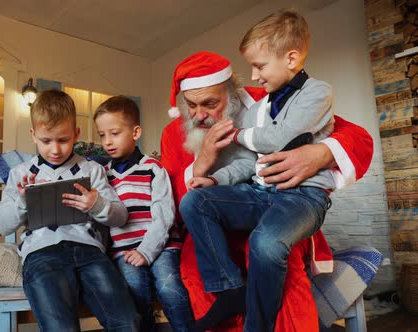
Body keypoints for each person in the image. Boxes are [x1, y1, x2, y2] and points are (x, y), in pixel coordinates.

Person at [160, 49, 373, 332]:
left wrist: (321, 152)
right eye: (190, 105)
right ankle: (228, 294)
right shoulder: (172, 134)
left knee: (270, 254)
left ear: (231, 92)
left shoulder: (265, 100)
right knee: (193, 269)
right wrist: (202, 165)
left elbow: (355, 135)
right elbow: (175, 200)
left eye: (210, 103)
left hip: (277, 205)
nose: (199, 115)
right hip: (215, 223)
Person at [180, 9, 341, 331]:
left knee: (265, 244)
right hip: (259, 191)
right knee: (195, 202)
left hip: (302, 198)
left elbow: (280, 137)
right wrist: (212, 178)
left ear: (292, 58)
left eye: (259, 66)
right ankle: (229, 289)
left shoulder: (318, 93)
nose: (254, 76)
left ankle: (258, 325)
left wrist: (234, 134)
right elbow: (249, 162)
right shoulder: (259, 108)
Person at [0, 89, 139, 331]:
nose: (55, 150)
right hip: (42, 254)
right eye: (46, 140)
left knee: (127, 321)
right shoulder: (20, 174)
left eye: (63, 140)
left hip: (89, 252)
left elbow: (121, 215)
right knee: (60, 327)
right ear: (33, 134)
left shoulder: (92, 170)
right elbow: (3, 225)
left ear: (76, 134)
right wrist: (23, 202)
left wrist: (97, 204)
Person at [94, 95, 195, 332]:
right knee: (134, 286)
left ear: (136, 132)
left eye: (115, 133)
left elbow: (165, 216)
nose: (108, 141)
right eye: (102, 135)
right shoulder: (101, 174)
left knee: (170, 287)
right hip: (124, 251)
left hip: (161, 245)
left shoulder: (153, 168)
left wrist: (146, 251)